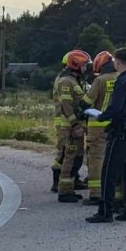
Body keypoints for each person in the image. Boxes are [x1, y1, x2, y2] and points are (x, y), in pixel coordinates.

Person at [86, 48, 126, 224]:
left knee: (109, 170)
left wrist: (101, 116)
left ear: (117, 62)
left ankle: (105, 211)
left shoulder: (122, 81)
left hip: (122, 131)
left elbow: (115, 108)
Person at [79, 51, 116, 208]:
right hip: (113, 125)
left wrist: (80, 107)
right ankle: (112, 192)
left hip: (97, 126)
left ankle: (95, 193)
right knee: (111, 160)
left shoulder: (100, 80)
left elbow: (87, 101)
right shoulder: (120, 78)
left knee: (95, 160)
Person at [52, 50, 90, 201]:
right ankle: (64, 191)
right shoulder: (66, 82)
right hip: (70, 127)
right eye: (84, 65)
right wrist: (75, 124)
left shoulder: (75, 81)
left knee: (77, 157)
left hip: (76, 126)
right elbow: (66, 105)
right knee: (69, 157)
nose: (86, 68)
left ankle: (70, 186)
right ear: (77, 65)